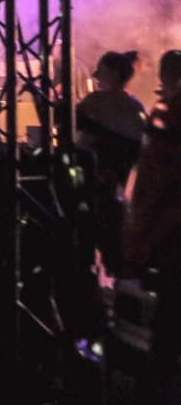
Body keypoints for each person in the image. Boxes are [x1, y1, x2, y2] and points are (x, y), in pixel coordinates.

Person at [126, 50, 181, 403]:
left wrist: (138, 239)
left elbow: (151, 183)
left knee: (169, 319)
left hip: (172, 233)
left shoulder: (168, 114)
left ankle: (158, 390)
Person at [75, 51, 147, 275]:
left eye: (101, 70)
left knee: (83, 252)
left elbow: (79, 143)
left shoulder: (94, 103)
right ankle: (122, 299)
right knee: (116, 255)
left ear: (114, 74)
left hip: (91, 191)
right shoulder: (137, 108)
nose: (96, 75)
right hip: (119, 192)